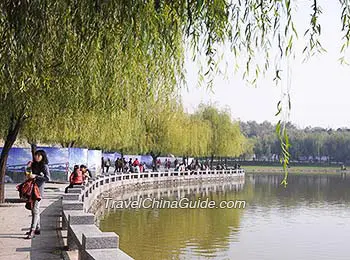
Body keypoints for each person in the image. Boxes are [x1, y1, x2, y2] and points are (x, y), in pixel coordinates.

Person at [25, 150, 51, 239]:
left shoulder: (45, 166)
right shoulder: (34, 164)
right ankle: (37, 228)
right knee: (33, 209)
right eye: (36, 155)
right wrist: (28, 167)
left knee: (35, 209)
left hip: (38, 191)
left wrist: (36, 176)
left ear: (43, 156)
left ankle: (32, 230)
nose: (37, 157)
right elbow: (28, 175)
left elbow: (47, 178)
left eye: (39, 155)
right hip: (31, 189)